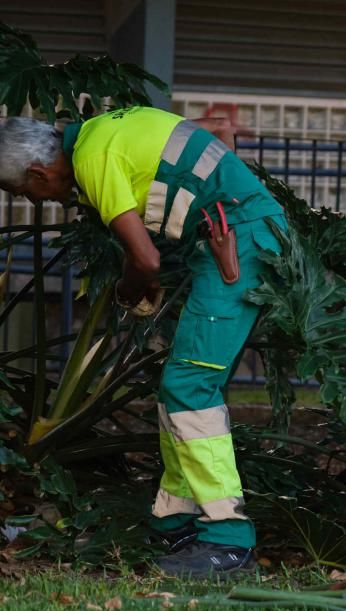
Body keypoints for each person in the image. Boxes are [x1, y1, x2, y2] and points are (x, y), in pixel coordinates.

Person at [0, 107, 285, 577]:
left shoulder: (93, 158)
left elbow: (146, 259)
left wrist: (132, 288)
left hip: (237, 239)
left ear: (37, 171)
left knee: (190, 386)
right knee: (179, 386)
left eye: (25, 192)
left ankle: (228, 540)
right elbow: (213, 137)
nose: (34, 202)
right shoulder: (100, 131)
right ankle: (176, 521)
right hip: (230, 233)